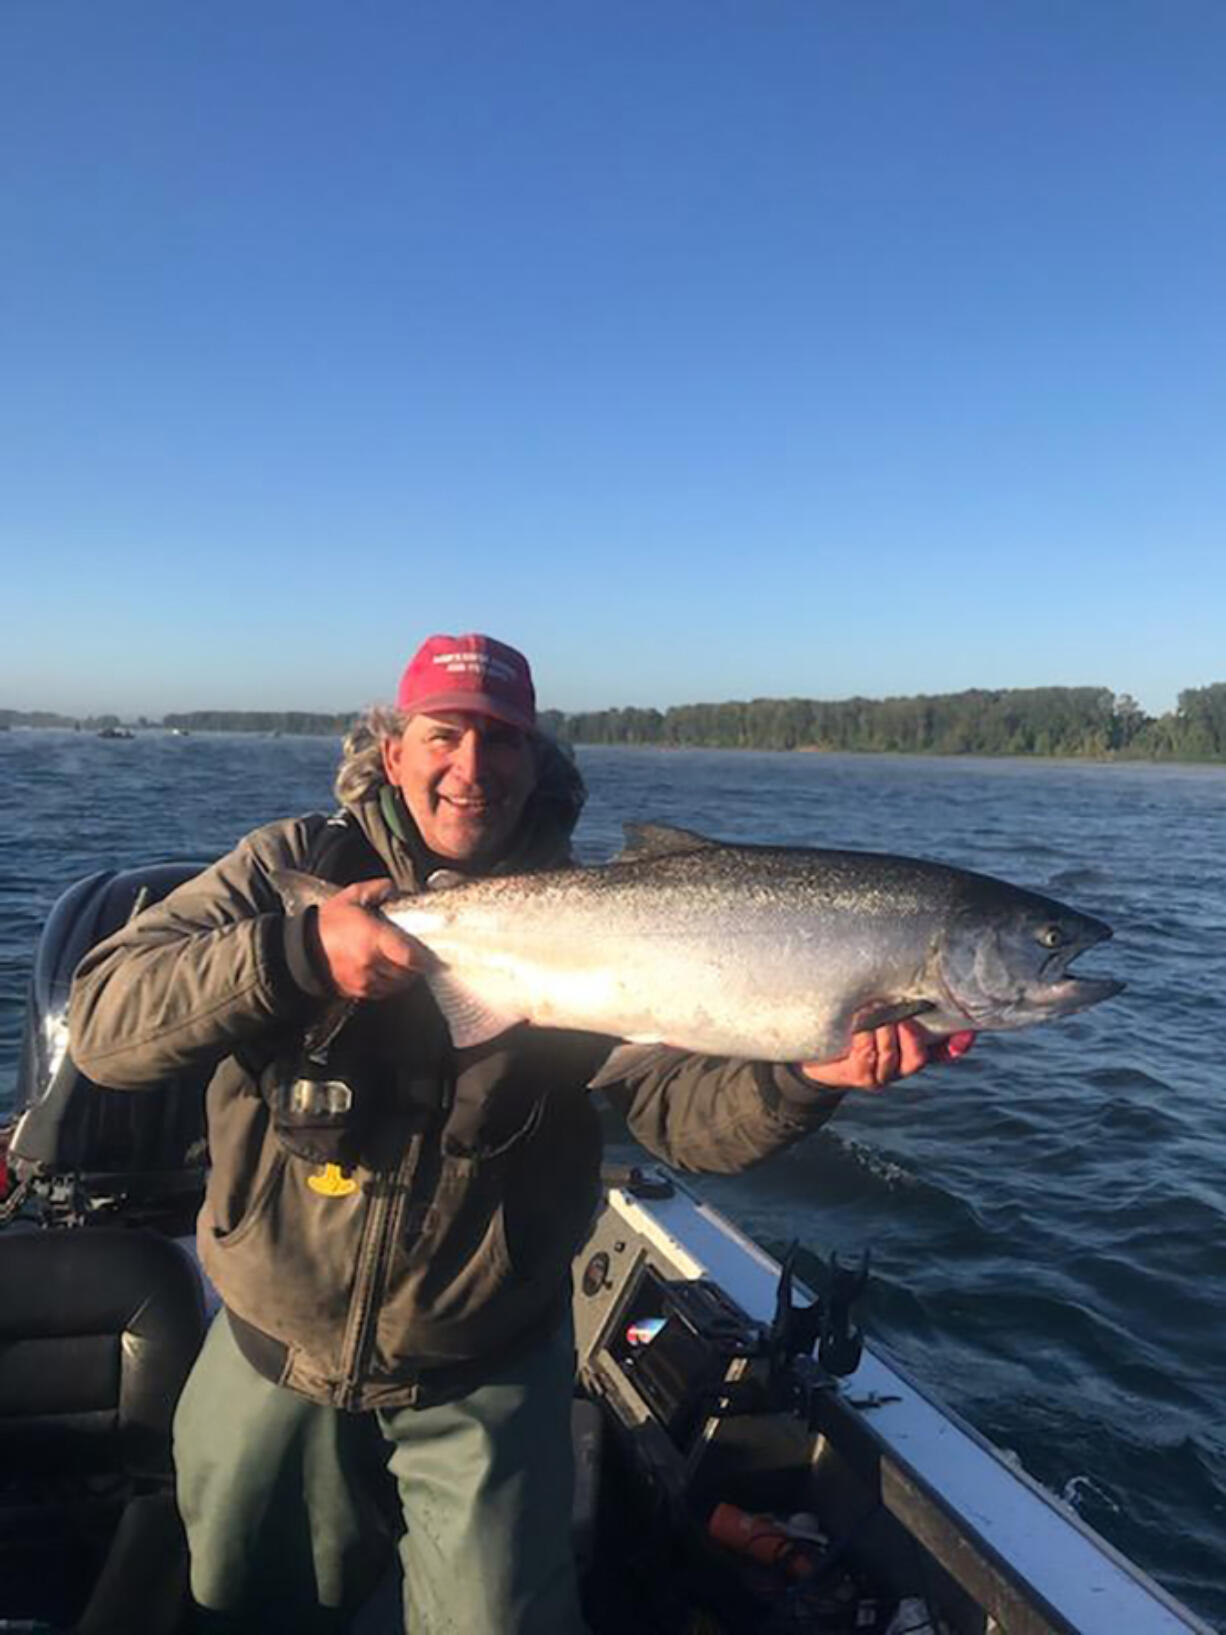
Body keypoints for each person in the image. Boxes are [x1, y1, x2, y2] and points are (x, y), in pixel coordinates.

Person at [67, 632, 970, 1635]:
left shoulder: (615, 918)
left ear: (536, 759)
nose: (470, 768)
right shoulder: (288, 868)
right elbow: (104, 1029)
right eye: (442, 736)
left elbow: (684, 1124)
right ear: (393, 746)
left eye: (500, 741)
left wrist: (806, 1079)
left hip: (485, 1374)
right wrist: (294, 952)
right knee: (238, 1615)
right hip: (269, 1356)